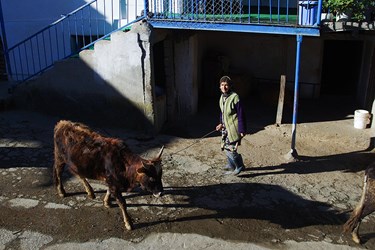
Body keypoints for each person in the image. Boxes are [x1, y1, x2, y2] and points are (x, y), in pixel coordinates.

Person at [215, 76, 247, 175]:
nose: (224, 87)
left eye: (226, 85)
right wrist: (220, 123)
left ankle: (239, 166)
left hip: (234, 128)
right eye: (222, 85)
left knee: (232, 149)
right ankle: (231, 165)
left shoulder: (235, 97)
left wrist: (242, 129)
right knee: (225, 146)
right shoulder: (222, 97)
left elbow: (241, 114)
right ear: (219, 86)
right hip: (225, 128)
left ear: (230, 86)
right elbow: (222, 112)